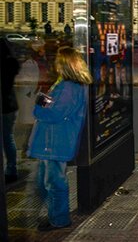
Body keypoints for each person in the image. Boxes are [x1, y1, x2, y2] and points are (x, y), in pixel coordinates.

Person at [27, 46, 92, 232]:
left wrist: (38, 107)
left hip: (55, 141)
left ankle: (59, 219)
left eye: (58, 60)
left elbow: (55, 113)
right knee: (49, 181)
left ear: (65, 64)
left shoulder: (68, 87)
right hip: (57, 139)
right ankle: (56, 215)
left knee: (54, 182)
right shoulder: (71, 84)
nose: (55, 63)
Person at [1, 38, 20, 184]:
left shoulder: (5, 64)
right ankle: (11, 168)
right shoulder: (11, 63)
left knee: (7, 138)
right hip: (10, 105)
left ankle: (11, 169)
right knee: (8, 137)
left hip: (5, 105)